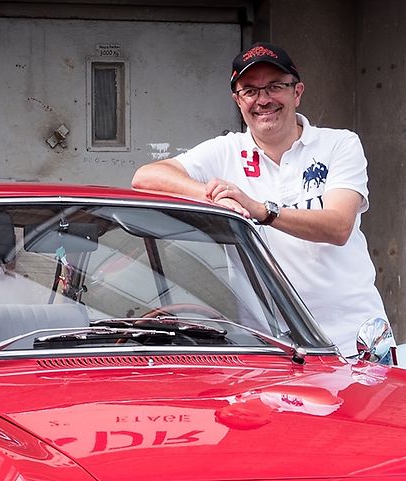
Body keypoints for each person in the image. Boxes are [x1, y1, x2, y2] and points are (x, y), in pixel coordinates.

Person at [131, 42, 390, 356]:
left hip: (354, 341)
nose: (263, 100)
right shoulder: (227, 151)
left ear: (297, 92)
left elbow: (338, 226)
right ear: (237, 101)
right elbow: (145, 177)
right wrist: (217, 198)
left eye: (275, 86)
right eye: (250, 90)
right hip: (272, 349)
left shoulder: (339, 144)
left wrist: (261, 211)